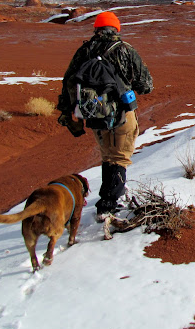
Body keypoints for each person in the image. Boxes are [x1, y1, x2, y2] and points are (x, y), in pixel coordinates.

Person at [57, 11, 153, 220]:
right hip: (122, 113)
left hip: (95, 114)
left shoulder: (84, 51)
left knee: (108, 157)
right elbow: (145, 85)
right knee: (119, 157)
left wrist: (68, 112)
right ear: (116, 28)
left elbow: (68, 82)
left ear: (96, 29)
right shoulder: (125, 50)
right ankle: (108, 204)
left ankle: (110, 196)